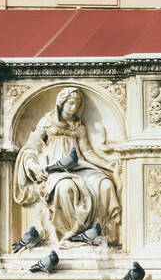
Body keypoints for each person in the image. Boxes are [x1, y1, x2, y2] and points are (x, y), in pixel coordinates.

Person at [13, 87, 121, 244]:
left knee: (105, 184)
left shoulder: (79, 127)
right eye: (71, 103)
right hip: (55, 170)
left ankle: (99, 231)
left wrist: (109, 165)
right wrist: (32, 165)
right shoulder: (47, 123)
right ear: (61, 103)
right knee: (65, 188)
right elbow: (31, 147)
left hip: (78, 167)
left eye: (77, 104)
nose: (74, 107)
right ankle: (70, 234)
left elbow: (88, 152)